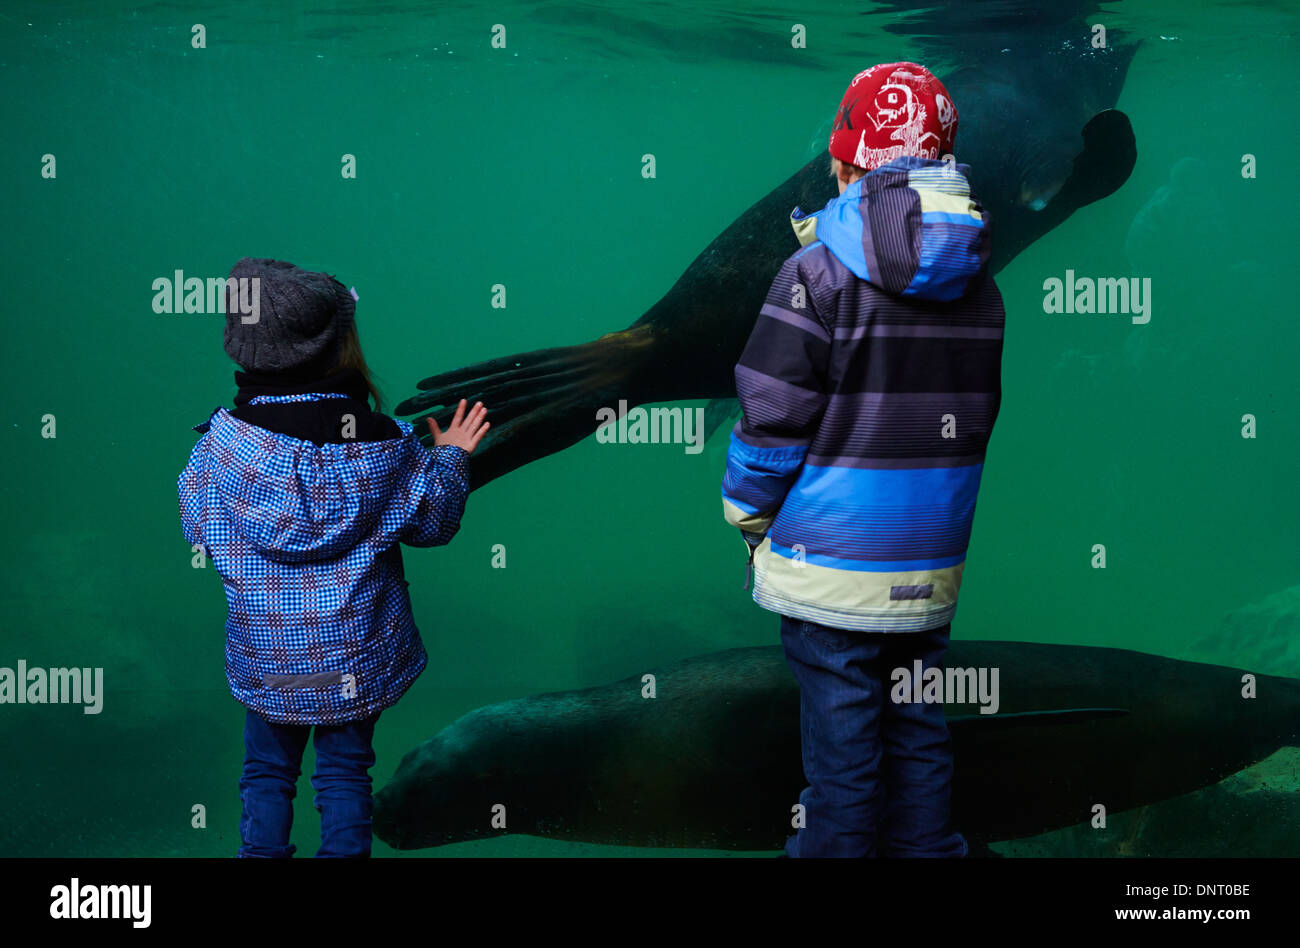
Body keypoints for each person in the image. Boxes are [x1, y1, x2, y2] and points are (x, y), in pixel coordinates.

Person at [721, 63, 1004, 858]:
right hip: (929, 561)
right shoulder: (982, 286)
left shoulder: (813, 274)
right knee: (918, 736)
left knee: (842, 768)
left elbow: (772, 417)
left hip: (830, 564)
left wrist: (748, 516)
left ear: (844, 164)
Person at [177, 257, 489, 857]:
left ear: (244, 351)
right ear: (337, 344)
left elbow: (200, 525)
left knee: (267, 775)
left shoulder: (219, 449)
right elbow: (434, 524)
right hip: (354, 662)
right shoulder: (388, 446)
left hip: (267, 657)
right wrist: (450, 456)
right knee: (344, 776)